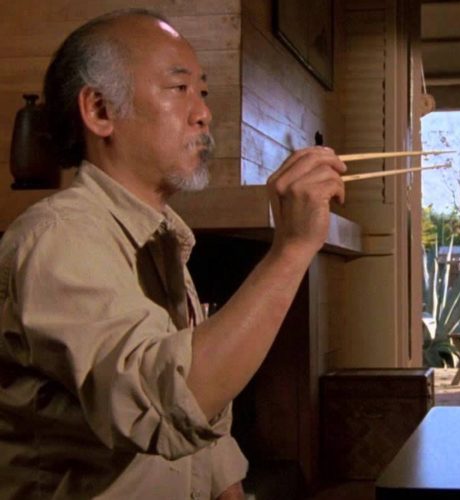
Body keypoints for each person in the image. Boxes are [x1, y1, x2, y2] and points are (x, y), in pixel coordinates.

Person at [0, 9, 346, 499]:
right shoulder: (59, 237)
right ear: (99, 111)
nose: (203, 113)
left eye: (202, 92)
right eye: (178, 88)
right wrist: (290, 250)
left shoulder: (158, 237)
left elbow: (201, 420)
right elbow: (168, 403)